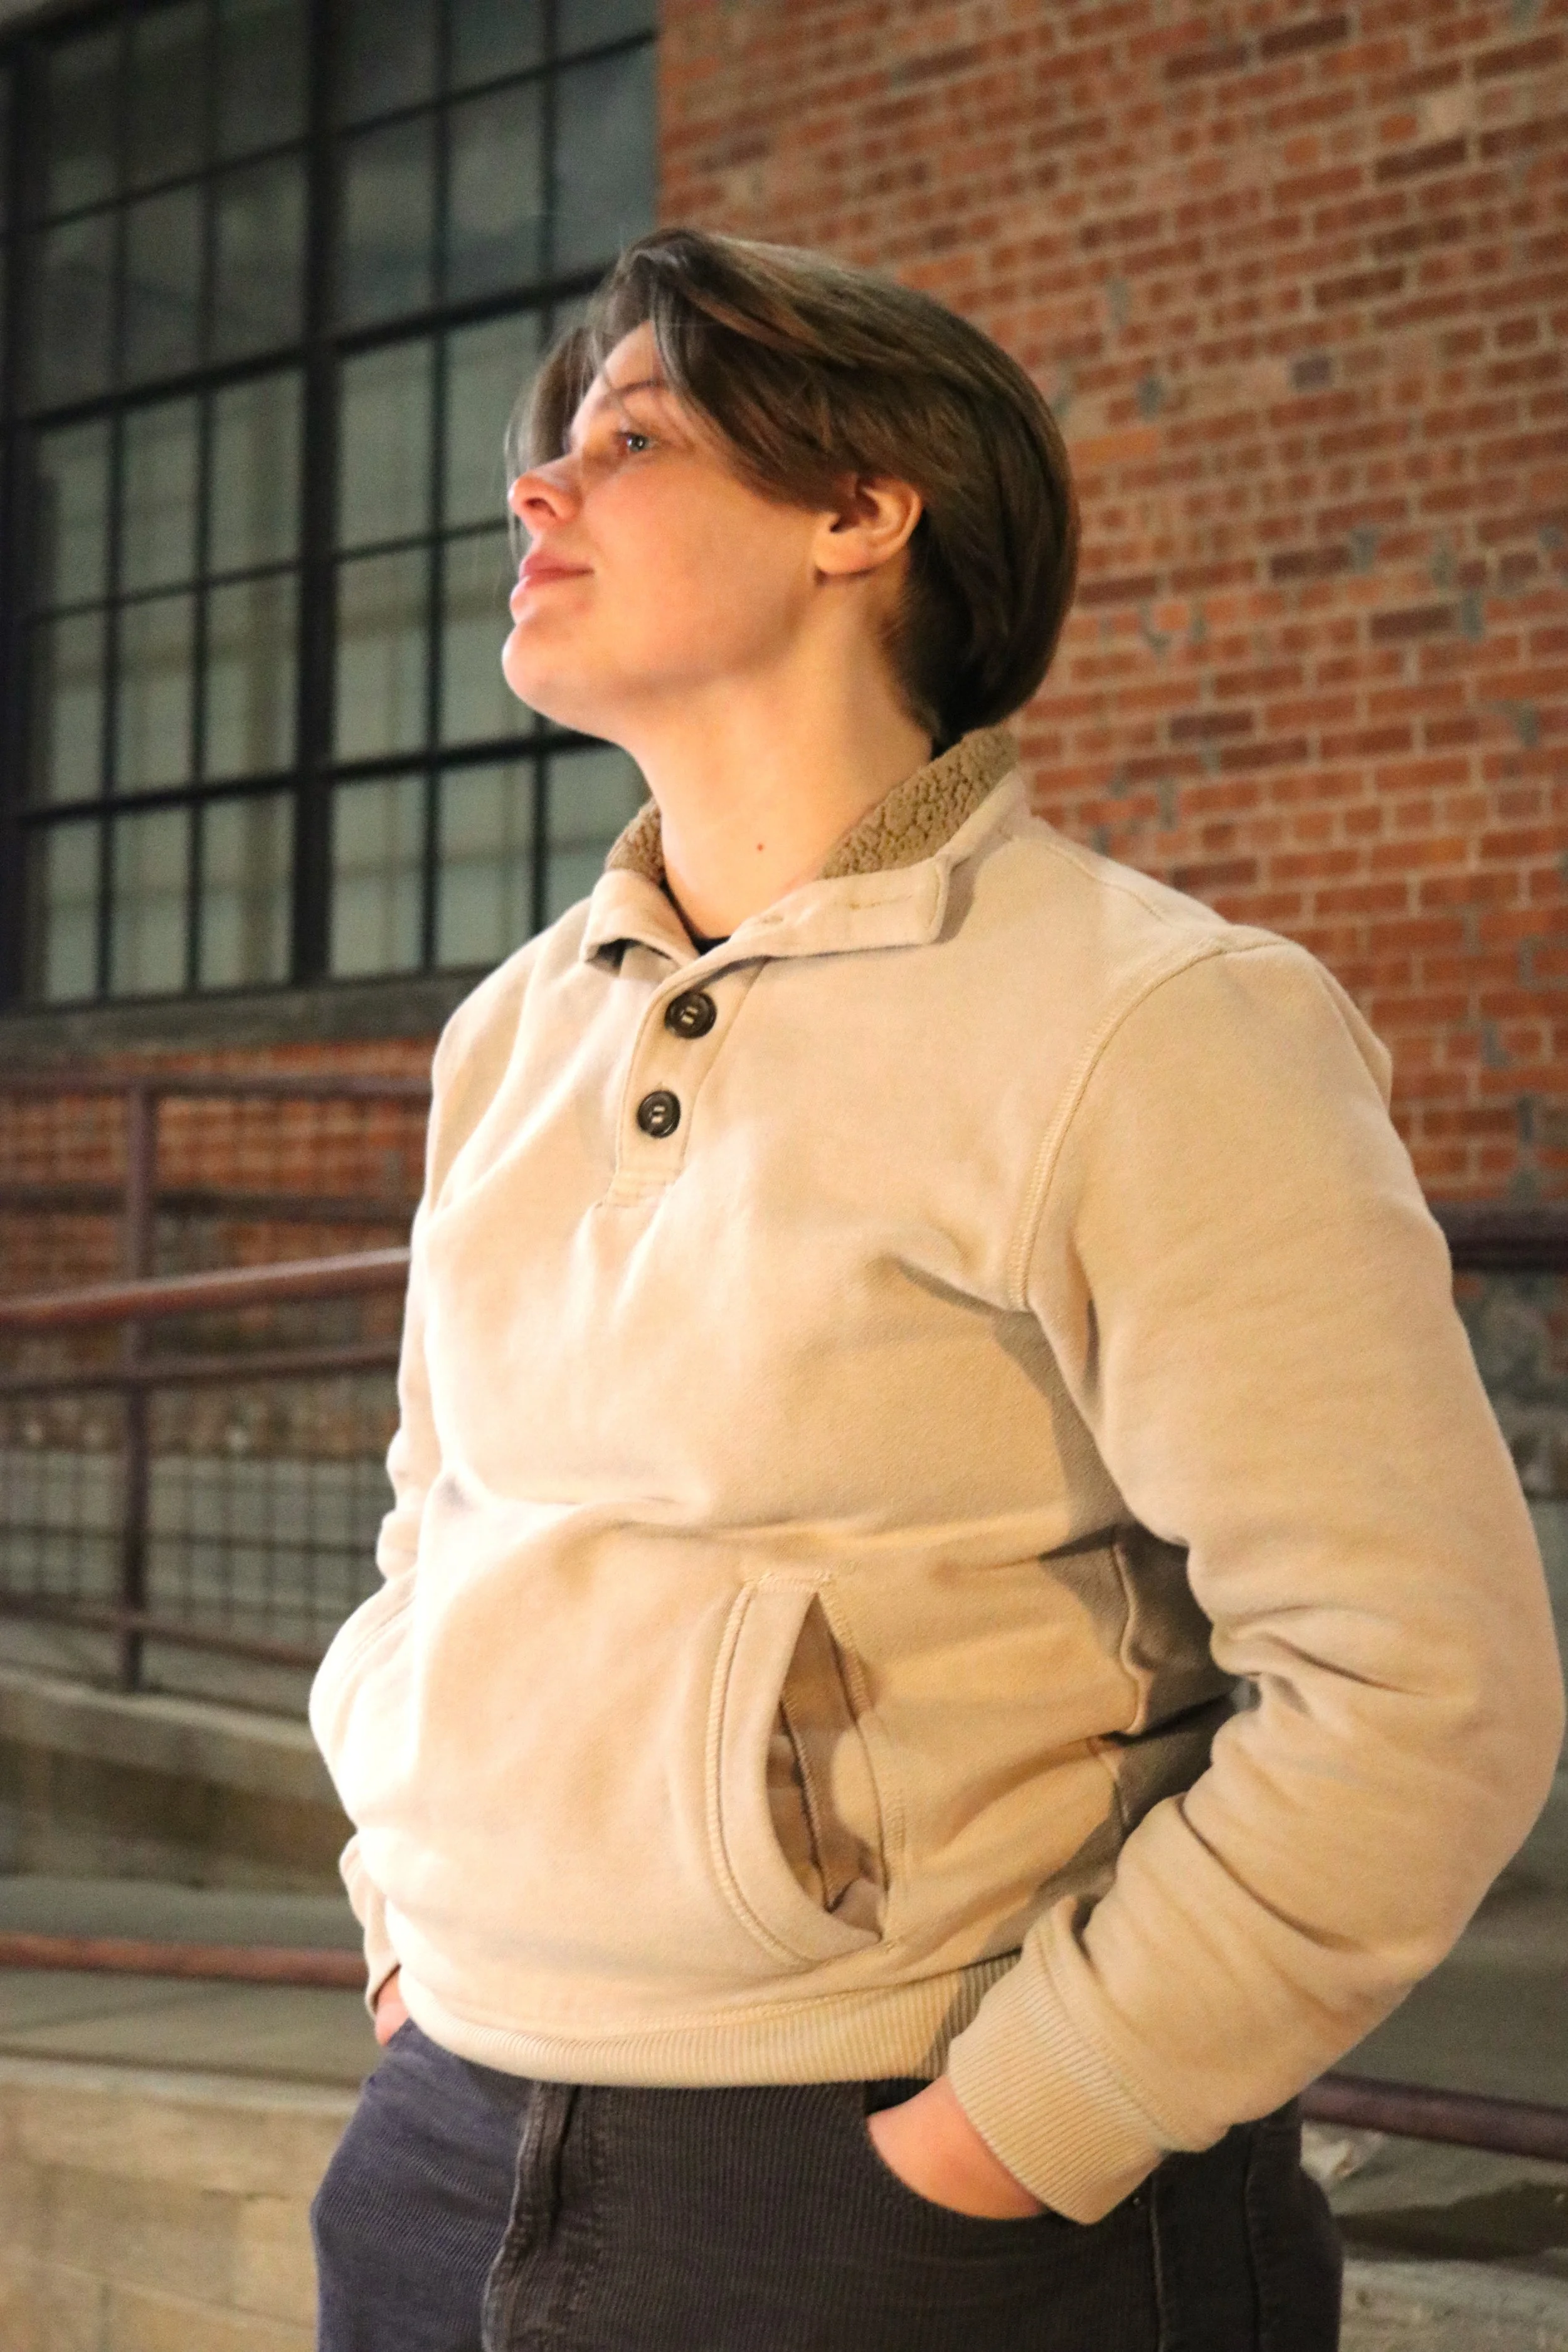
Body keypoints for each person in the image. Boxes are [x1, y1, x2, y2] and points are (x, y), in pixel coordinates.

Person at [307, 226, 1564, 2350]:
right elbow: (438, 1538)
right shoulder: (510, 1034)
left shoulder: (1156, 1018)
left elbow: (1415, 1683)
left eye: (629, 436)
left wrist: (1013, 2123)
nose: (536, 493)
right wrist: (409, 1947)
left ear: (858, 511)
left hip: (909, 2201)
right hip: (440, 2150)